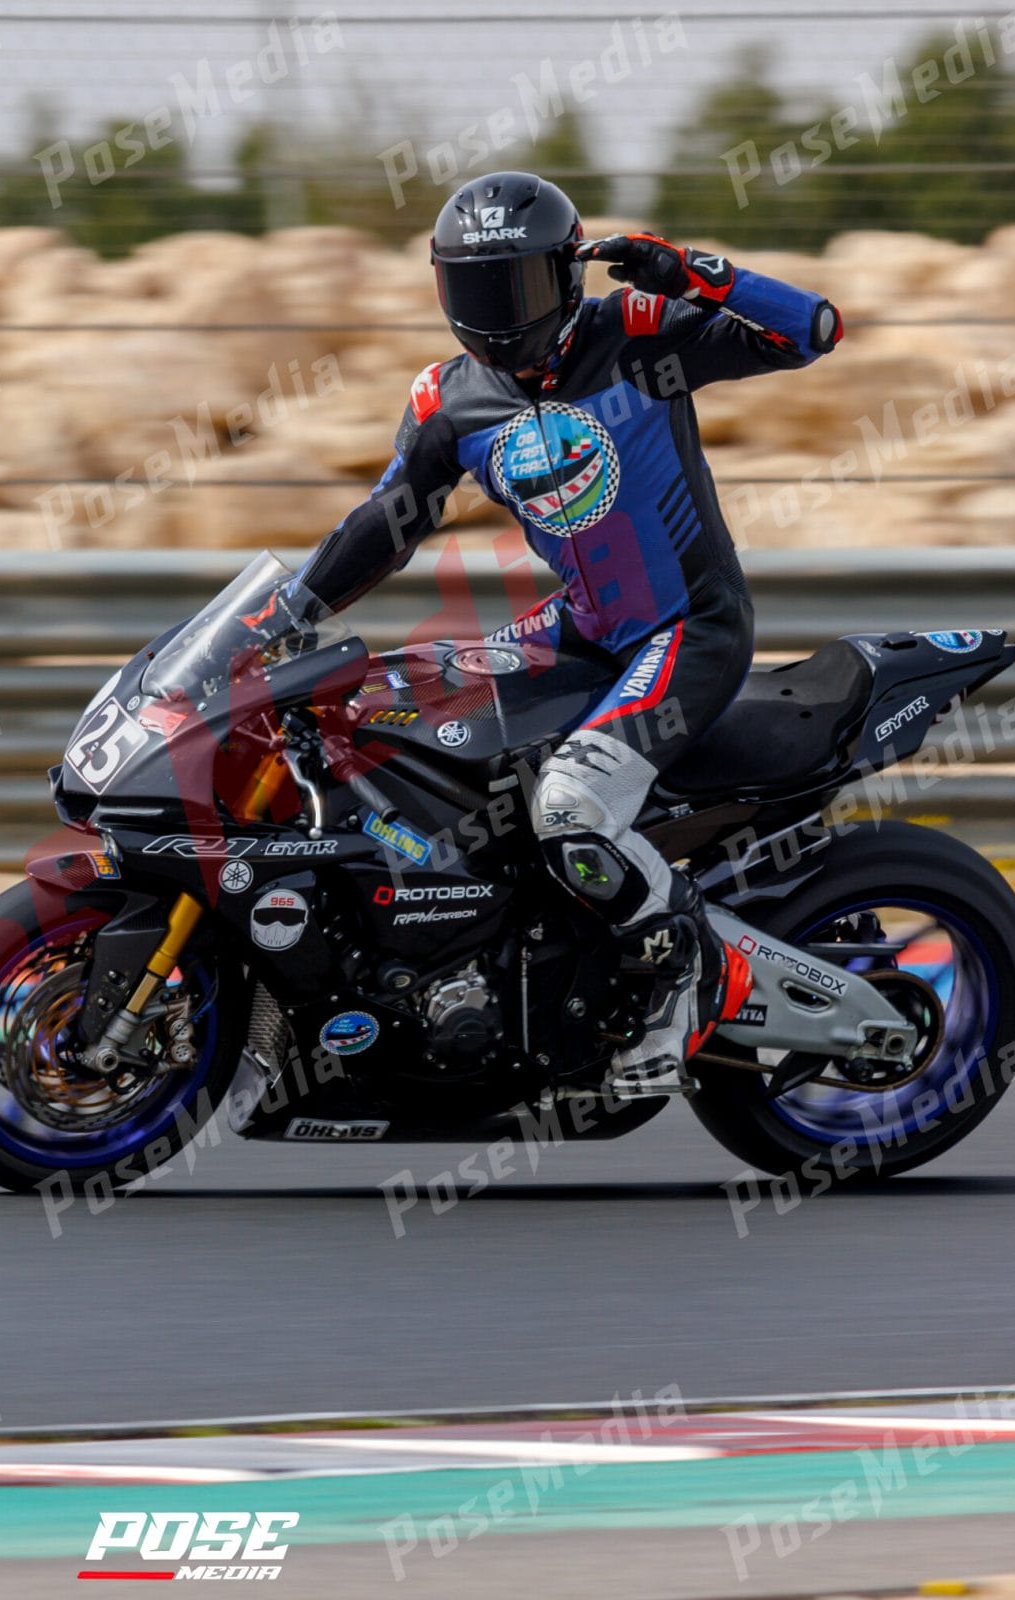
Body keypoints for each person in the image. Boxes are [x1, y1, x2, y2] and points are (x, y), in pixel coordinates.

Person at [291, 170, 843, 1094]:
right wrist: (290, 613)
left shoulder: (637, 333)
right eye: (476, 290)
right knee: (413, 698)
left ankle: (683, 978)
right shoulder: (447, 401)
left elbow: (812, 330)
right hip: (587, 626)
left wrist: (691, 272)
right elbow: (387, 522)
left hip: (689, 627)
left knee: (569, 806)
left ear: (569, 274)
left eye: (520, 286)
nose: (500, 315)